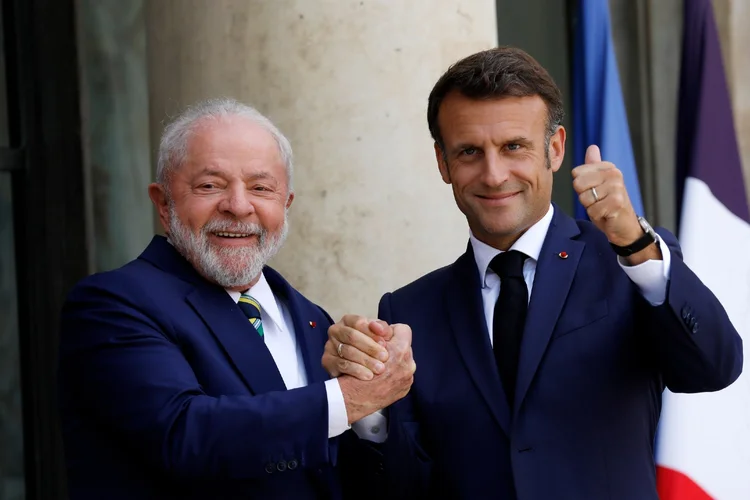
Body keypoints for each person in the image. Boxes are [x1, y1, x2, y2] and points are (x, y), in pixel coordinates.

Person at [323, 47, 743, 499]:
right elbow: (398, 487)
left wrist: (636, 245)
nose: (494, 174)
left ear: (556, 148)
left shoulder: (629, 263)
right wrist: (367, 409)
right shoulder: (407, 312)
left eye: (513, 147)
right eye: (469, 152)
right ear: (443, 163)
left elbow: (715, 367)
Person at [57, 98, 415, 500]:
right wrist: (350, 398)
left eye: (261, 188)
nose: (239, 206)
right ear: (163, 202)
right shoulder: (112, 304)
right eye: (210, 186)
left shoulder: (312, 319)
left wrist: (370, 412)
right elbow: (185, 434)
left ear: (286, 205)